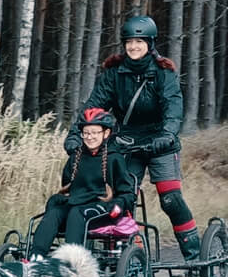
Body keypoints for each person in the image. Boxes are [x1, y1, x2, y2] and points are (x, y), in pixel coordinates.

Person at [63, 15, 201, 261]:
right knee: (122, 200)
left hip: (160, 141)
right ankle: (135, 256)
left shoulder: (163, 73)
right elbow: (93, 107)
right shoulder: (114, 73)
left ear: (150, 43)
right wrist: (76, 135)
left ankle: (194, 254)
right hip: (126, 142)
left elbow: (173, 106)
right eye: (129, 41)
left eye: (140, 41)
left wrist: (168, 133)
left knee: (170, 199)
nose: (134, 46)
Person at [29, 108, 136, 260]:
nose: (89, 137)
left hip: (104, 207)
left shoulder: (114, 158)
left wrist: (119, 203)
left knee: (76, 213)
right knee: (54, 212)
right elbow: (68, 186)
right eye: (86, 133)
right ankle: (36, 257)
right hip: (77, 202)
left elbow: (128, 193)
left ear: (106, 133)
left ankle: (72, 261)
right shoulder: (76, 157)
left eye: (94, 132)